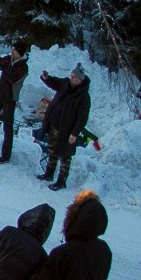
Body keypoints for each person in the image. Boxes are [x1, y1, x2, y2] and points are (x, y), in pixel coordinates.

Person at [36, 64, 93, 192]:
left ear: (80, 79)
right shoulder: (65, 84)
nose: (72, 79)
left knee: (65, 155)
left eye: (74, 77)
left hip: (67, 130)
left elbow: (82, 117)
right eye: (71, 76)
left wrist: (75, 133)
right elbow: (54, 82)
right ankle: (49, 173)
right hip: (54, 126)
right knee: (52, 150)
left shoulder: (83, 96)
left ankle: (61, 181)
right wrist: (46, 78)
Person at [0, 41, 30, 163]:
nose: (12, 52)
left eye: (14, 50)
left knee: (7, 127)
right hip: (0, 94)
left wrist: (3, 66)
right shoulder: (9, 59)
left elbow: (13, 79)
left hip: (11, 98)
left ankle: (6, 155)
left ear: (20, 52)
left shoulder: (24, 67)